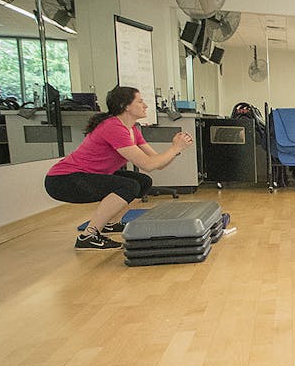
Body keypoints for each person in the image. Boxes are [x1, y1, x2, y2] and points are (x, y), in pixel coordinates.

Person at [44, 86, 194, 250]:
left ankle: (110, 223)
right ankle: (88, 236)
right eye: (140, 101)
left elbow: (158, 164)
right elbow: (148, 164)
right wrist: (174, 149)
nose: (145, 106)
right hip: (64, 179)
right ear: (126, 106)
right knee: (129, 185)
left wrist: (176, 149)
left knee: (143, 181)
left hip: (85, 176)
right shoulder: (113, 127)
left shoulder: (133, 130)